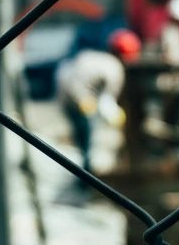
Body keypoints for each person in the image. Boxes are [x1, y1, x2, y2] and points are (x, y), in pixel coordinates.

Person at [55, 28, 141, 202]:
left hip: (65, 97)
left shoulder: (93, 56)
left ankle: (83, 178)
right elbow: (106, 101)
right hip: (82, 101)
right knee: (89, 144)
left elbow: (69, 73)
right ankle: (86, 183)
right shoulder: (115, 69)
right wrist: (117, 116)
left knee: (82, 142)